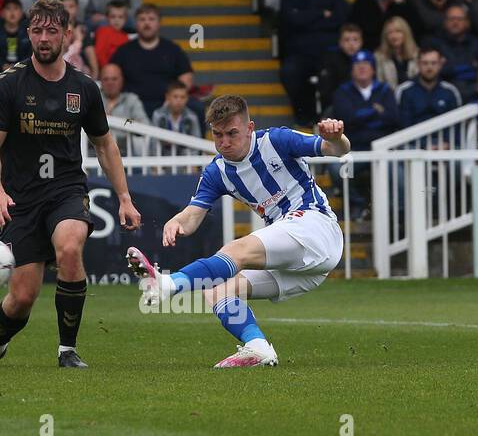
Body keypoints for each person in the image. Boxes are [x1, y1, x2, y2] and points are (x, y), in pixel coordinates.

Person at [0, 0, 140, 370]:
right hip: (20, 199)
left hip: (67, 191)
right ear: (28, 34)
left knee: (70, 248)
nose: (43, 38)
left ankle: (67, 350)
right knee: (21, 297)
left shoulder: (84, 88)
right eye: (37, 30)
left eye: (52, 31)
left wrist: (124, 198)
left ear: (67, 35)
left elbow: (105, 145)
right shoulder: (9, 84)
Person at [128, 96, 349, 367]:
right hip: (304, 264)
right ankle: (258, 348)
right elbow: (193, 216)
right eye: (217, 135)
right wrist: (177, 221)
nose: (224, 142)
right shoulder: (217, 171)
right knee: (216, 291)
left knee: (234, 251)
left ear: (249, 128)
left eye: (232, 133)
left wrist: (337, 137)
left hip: (314, 227)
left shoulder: (276, 141)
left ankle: (168, 284)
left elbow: (337, 150)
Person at [279, 0, 348, 124]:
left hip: (328, 55)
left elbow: (338, 21)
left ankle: (333, 116)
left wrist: (305, 19)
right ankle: (303, 117)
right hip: (299, 56)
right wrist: (321, 14)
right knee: (289, 72)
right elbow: (293, 20)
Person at [396, 47, 464, 128]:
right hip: (414, 139)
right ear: (418, 64)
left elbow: (457, 124)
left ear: (440, 64)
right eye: (425, 63)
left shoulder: (450, 91)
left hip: (445, 140)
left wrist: (447, 140)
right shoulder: (404, 90)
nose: (429, 67)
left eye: (433, 63)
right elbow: (402, 125)